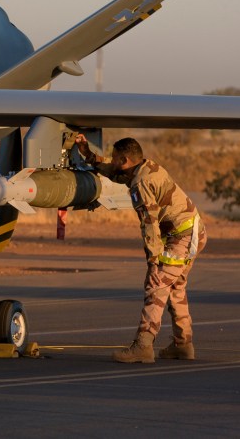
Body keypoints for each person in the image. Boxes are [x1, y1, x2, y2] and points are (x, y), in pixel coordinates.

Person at [76, 134, 208, 363]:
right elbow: (113, 171)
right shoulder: (145, 168)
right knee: (175, 287)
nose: (113, 161)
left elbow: (149, 223)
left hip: (182, 237)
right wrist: (87, 154)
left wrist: (153, 258)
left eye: (116, 158)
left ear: (125, 159)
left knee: (156, 283)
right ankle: (183, 345)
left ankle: (143, 346)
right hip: (191, 231)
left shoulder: (141, 183)